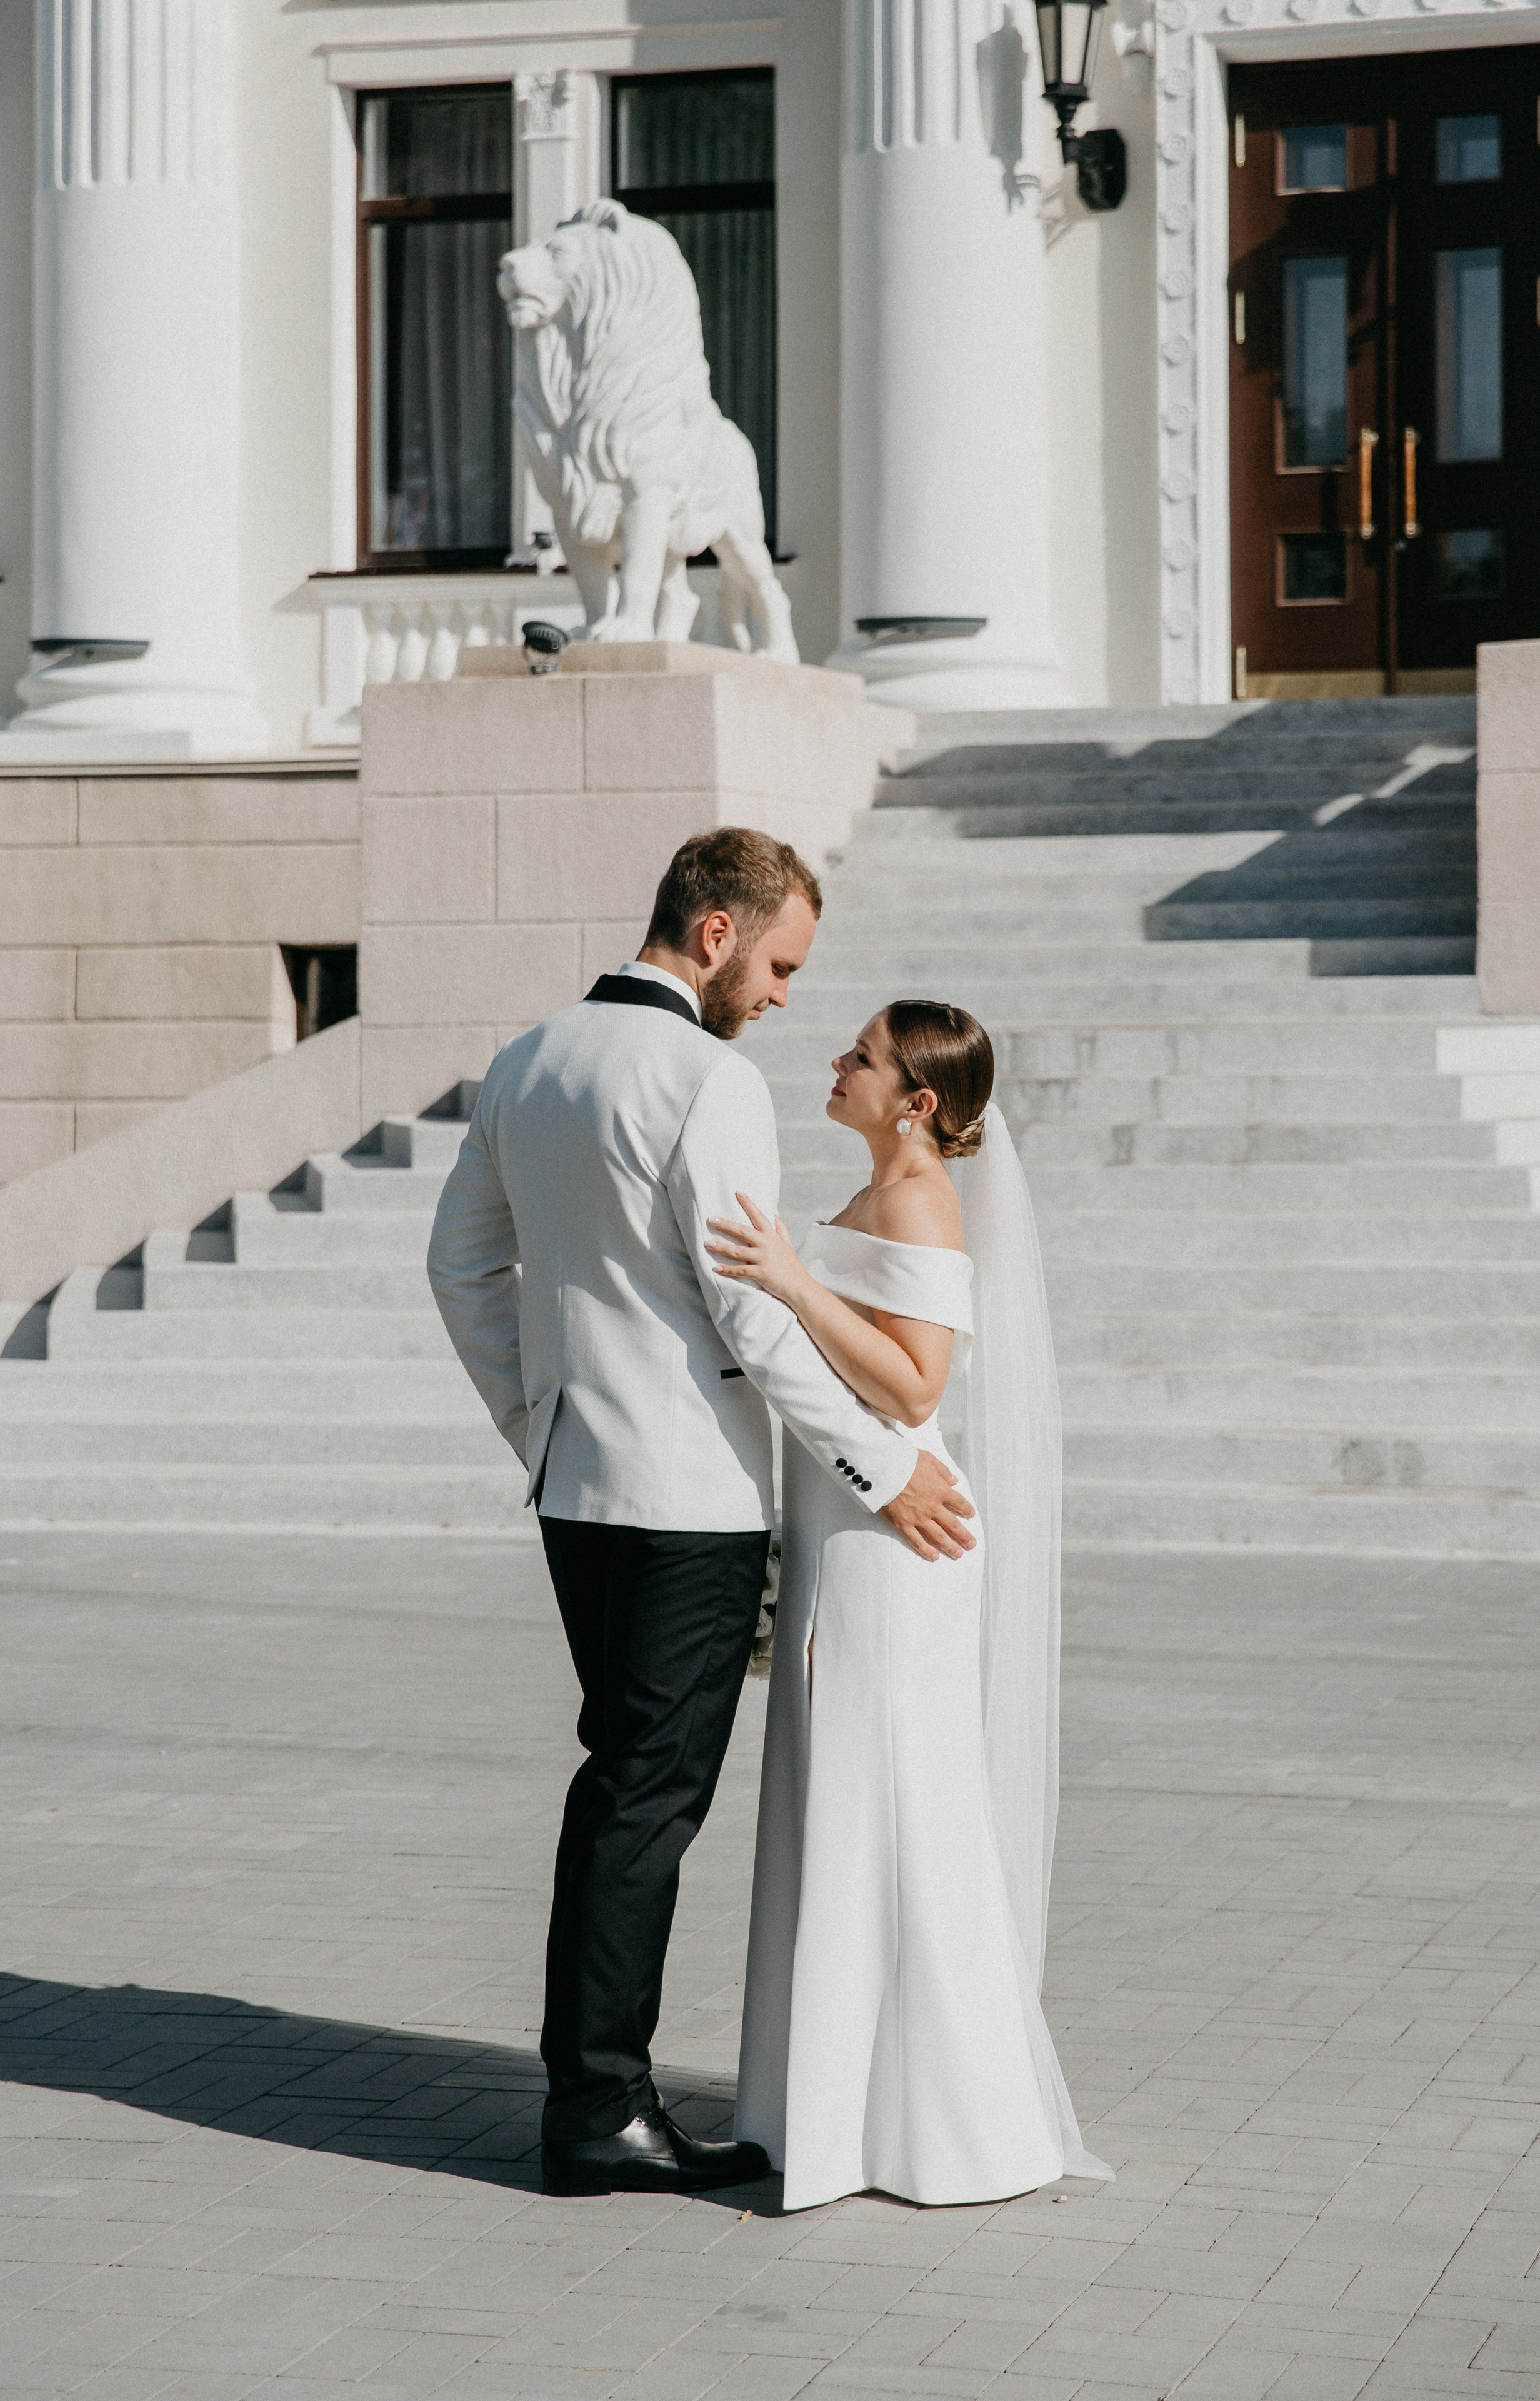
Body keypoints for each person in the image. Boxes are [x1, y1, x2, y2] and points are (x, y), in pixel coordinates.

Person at [426, 830, 977, 2198]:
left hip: (576, 1486)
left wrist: (535, 1420)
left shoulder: (527, 1058)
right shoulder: (706, 1079)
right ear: (717, 933)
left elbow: (460, 1267)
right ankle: (600, 2109)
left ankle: (595, 2092)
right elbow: (751, 1311)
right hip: (686, 1506)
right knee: (645, 1797)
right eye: (781, 965)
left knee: (620, 1780)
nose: (784, 997)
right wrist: (880, 1468)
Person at [708, 1000, 1114, 2209]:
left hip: (897, 1538)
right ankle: (849, 2112)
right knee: (846, 1803)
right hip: (850, 1529)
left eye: (864, 1057)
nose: (838, 1062)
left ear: (917, 1103)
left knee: (896, 1808)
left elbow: (917, 1384)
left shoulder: (922, 1200)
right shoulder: (879, 1194)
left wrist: (793, 1277)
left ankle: (947, 2125)